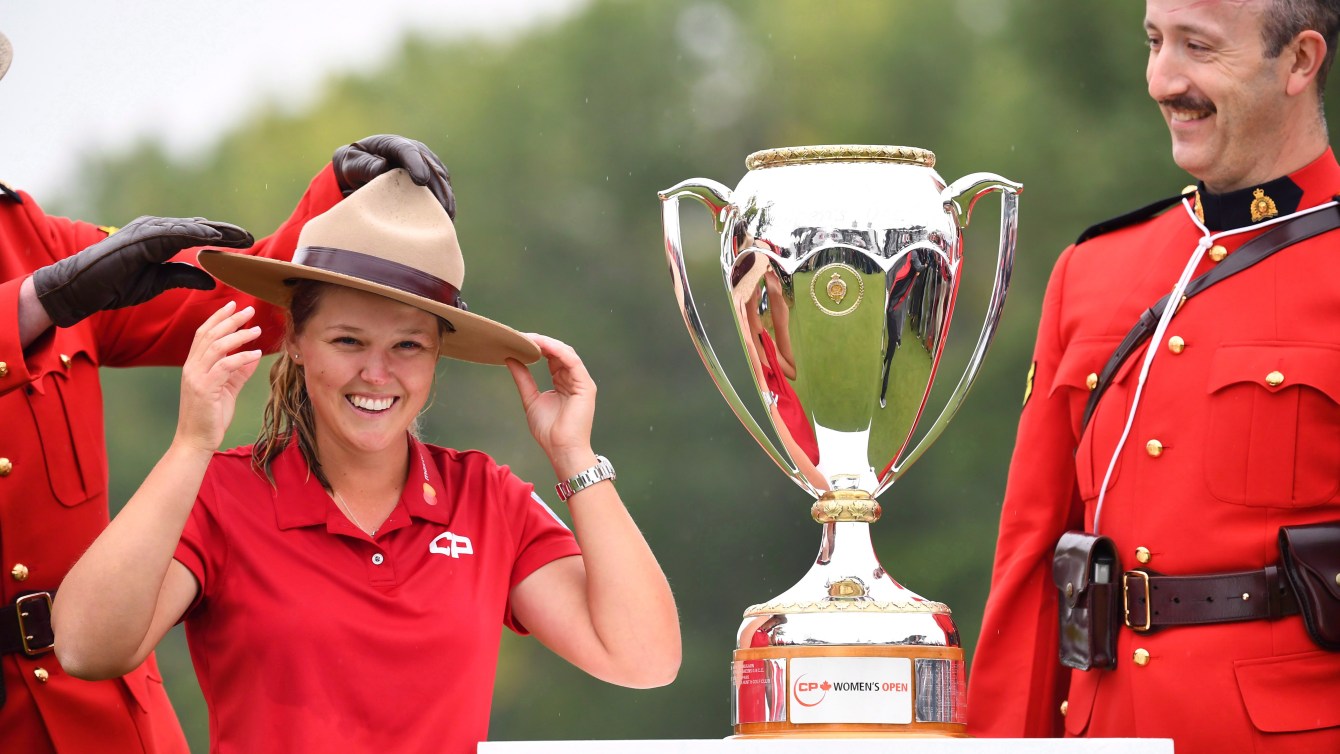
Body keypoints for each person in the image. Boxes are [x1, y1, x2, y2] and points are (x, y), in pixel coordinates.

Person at [50, 168, 682, 753]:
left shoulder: (487, 498)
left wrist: (575, 455)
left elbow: (644, 658)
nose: (376, 375)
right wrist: (192, 442)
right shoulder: (219, 491)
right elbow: (83, 647)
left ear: (439, 355)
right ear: (293, 340)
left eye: (407, 344)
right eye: (347, 340)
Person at [0, 29, 457, 753]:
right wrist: (32, 306)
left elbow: (244, 308)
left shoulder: (28, 235)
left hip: (95, 716)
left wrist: (338, 197)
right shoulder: (41, 275)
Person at [967, 1, 1340, 752]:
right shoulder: (1093, 271)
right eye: (1155, 42)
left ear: (1300, 61)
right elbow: (1033, 556)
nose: (1163, 80)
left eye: (1199, 48)